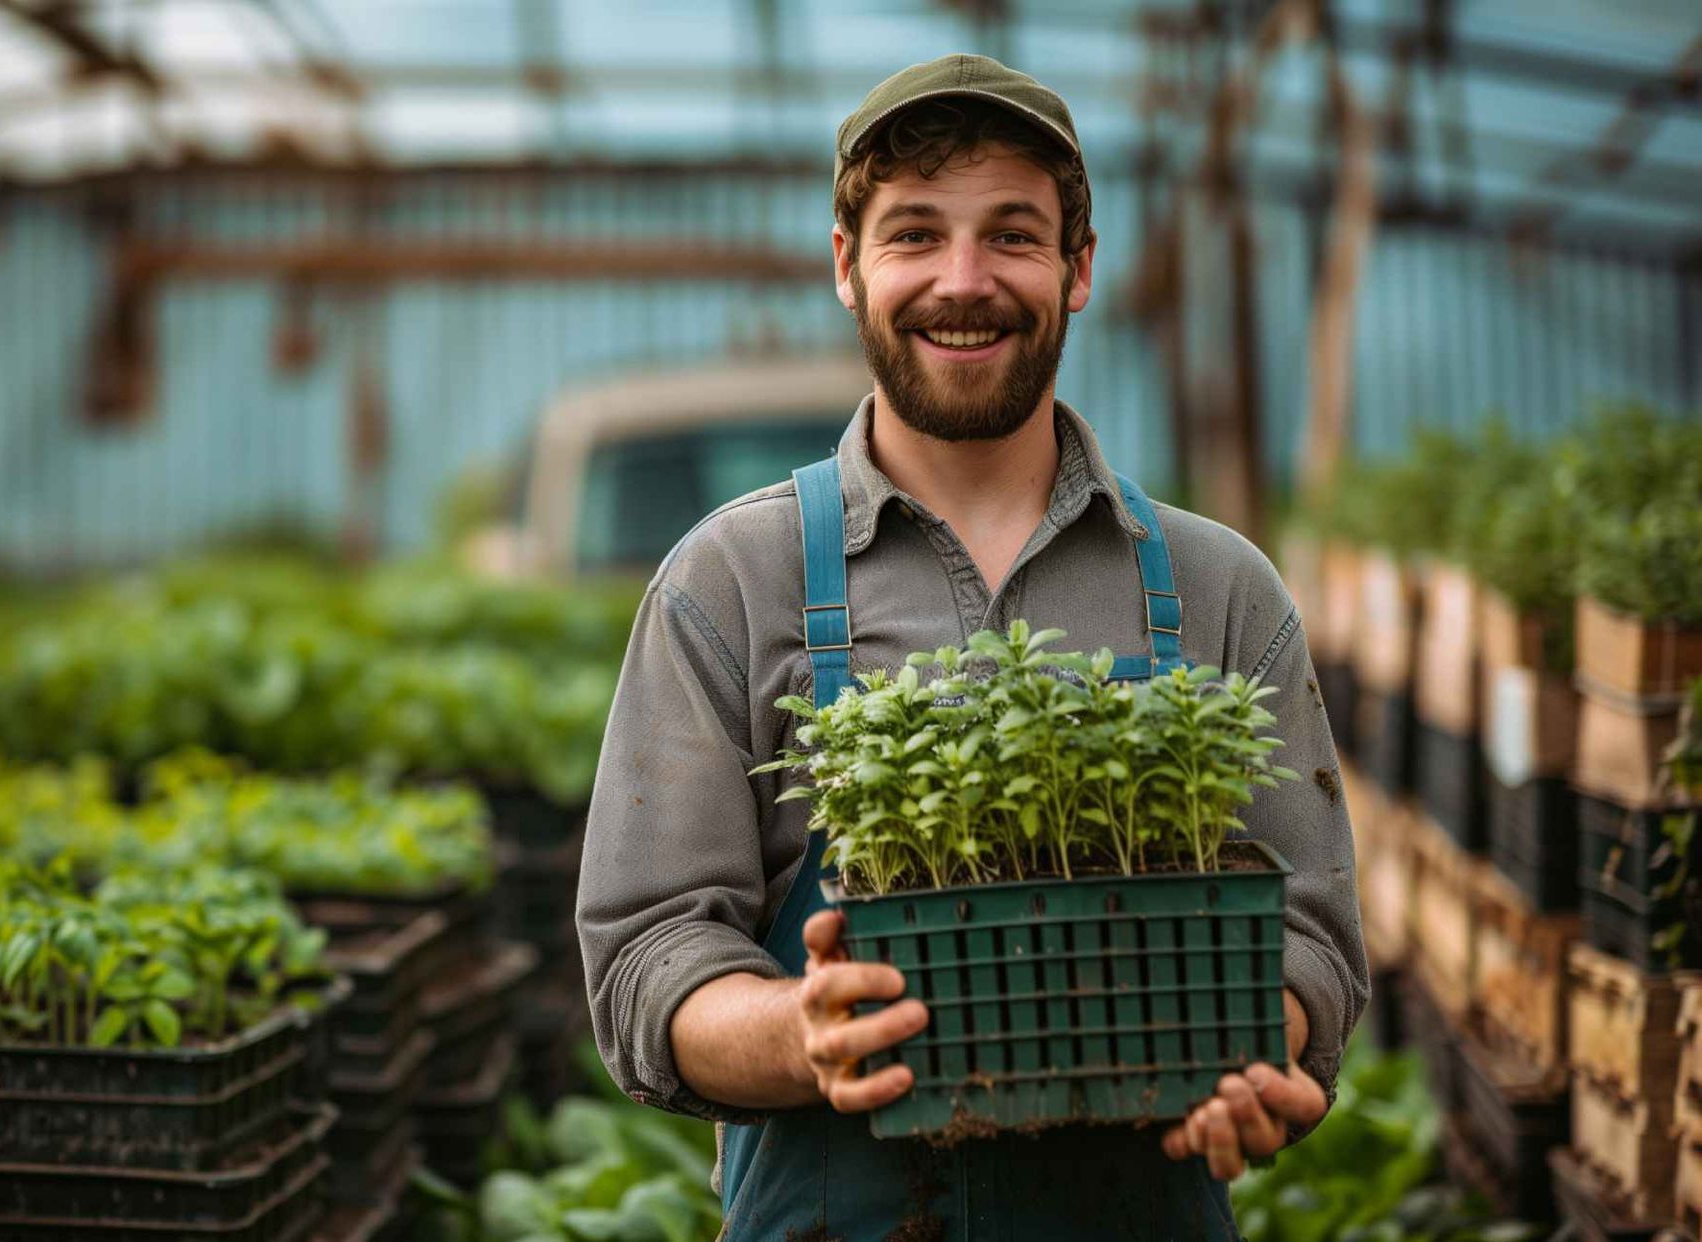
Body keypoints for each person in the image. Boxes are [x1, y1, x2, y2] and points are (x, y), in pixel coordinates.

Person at [577, 53, 1368, 1240]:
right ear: (847, 266)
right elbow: (648, 958)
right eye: (913, 236)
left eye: (1010, 234)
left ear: (1078, 267)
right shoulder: (729, 583)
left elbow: (1309, 937)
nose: (962, 281)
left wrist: (1260, 1044)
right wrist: (801, 1033)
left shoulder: (1218, 589)